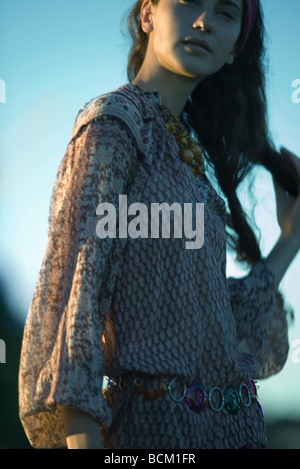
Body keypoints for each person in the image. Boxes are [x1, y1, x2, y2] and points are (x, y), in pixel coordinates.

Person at [19, 0, 300, 449]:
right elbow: (79, 318)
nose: (205, 20)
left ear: (233, 51)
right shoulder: (114, 128)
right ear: (147, 14)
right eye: (189, 2)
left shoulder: (188, 155)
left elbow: (219, 327)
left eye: (226, 12)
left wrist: (291, 238)